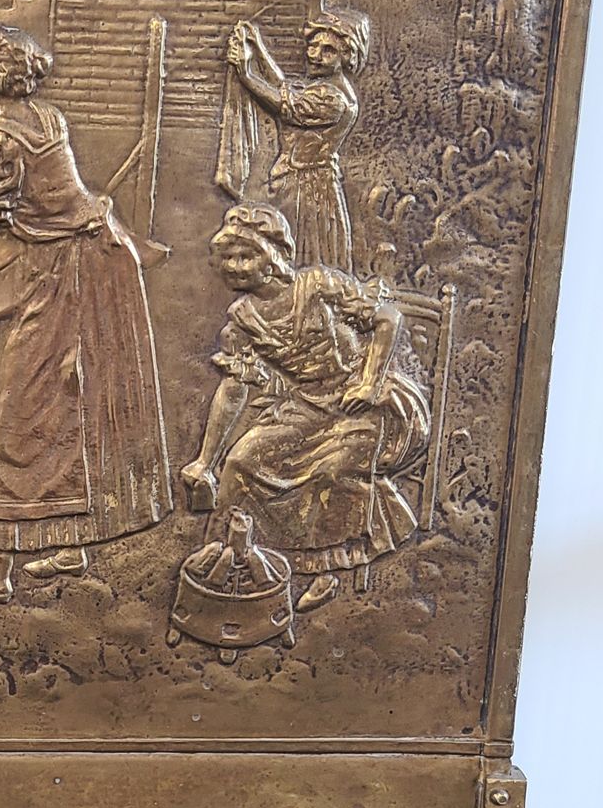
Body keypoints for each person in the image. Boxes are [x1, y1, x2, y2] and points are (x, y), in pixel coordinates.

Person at [0, 22, 172, 605]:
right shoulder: (46, 117)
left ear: (3, 73)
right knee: (78, 402)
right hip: (103, 256)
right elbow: (37, 196)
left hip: (68, 271)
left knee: (24, 414)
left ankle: (0, 573)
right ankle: (72, 542)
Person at [181, 204, 431, 602]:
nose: (235, 266)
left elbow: (388, 318)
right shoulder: (242, 318)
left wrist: (369, 382)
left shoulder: (317, 285)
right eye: (228, 258)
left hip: (370, 404)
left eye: (246, 256)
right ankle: (238, 558)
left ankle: (327, 571)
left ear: (272, 257)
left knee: (330, 470)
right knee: (241, 461)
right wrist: (205, 461)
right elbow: (233, 389)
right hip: (309, 407)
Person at [223, 8, 370, 270]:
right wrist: (258, 48)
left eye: (328, 51)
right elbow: (283, 87)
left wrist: (246, 74)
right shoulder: (322, 86)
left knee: (302, 259)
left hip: (309, 190)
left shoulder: (334, 99)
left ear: (347, 57)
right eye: (313, 46)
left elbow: (283, 105)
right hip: (297, 181)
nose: (315, 55)